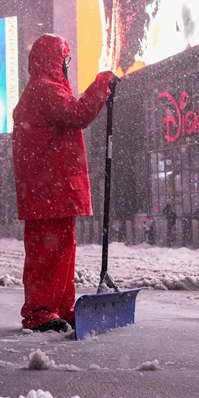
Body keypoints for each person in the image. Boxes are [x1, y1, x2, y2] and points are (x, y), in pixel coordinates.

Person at [11, 34, 117, 333]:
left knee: (59, 254)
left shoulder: (41, 91)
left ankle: (58, 308)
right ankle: (41, 313)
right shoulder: (45, 90)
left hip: (50, 190)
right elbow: (78, 114)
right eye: (64, 60)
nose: (66, 66)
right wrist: (102, 84)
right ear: (55, 61)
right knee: (50, 255)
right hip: (51, 189)